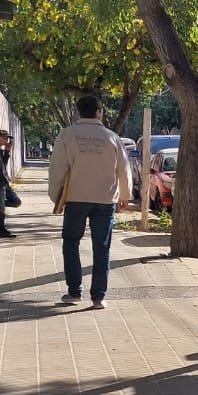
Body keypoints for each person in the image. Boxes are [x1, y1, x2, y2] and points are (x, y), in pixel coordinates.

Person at [48, 95, 132, 310]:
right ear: (99, 111)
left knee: (71, 243)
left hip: (76, 198)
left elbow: (58, 168)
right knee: (102, 247)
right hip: (105, 200)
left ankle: (74, 291)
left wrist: (56, 196)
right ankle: (98, 297)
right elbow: (123, 169)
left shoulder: (67, 135)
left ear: (77, 111)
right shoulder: (112, 137)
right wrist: (125, 195)